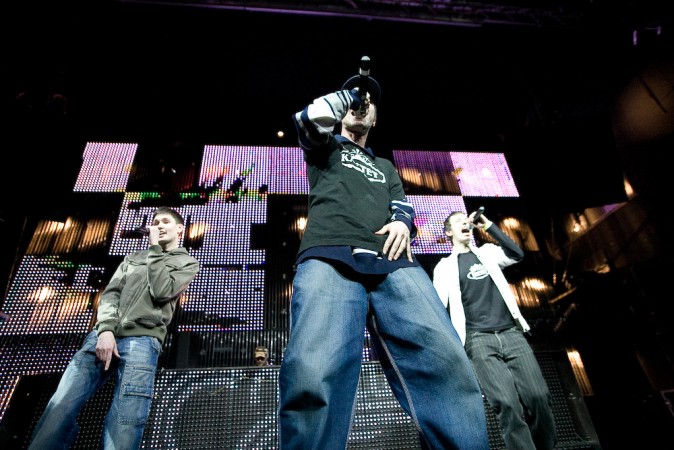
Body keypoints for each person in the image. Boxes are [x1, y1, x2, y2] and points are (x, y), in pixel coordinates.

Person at [277, 71, 490, 450]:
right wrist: (351, 96)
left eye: (369, 103)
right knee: (313, 370)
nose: (362, 104)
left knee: (445, 361)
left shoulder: (386, 166)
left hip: (395, 262)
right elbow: (308, 119)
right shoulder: (325, 146)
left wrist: (403, 223)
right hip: (329, 254)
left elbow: (402, 205)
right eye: (355, 99)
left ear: (376, 120)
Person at [28, 206, 200, 450]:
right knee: (60, 406)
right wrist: (106, 330)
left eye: (165, 222)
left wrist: (154, 249)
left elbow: (161, 291)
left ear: (180, 228)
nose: (159, 226)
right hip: (101, 336)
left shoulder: (186, 262)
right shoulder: (132, 258)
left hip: (142, 341)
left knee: (126, 420)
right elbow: (111, 294)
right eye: (155, 223)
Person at [432, 210, 557, 450]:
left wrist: (488, 226)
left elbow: (516, 254)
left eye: (465, 220)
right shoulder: (444, 267)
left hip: (511, 334)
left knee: (538, 397)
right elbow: (438, 307)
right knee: (507, 404)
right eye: (457, 221)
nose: (464, 223)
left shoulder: (487, 253)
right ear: (448, 232)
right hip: (478, 340)